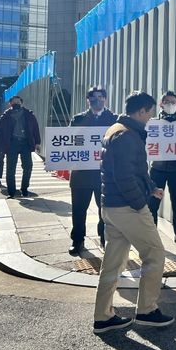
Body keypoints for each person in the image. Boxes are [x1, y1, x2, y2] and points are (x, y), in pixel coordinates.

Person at [93, 91, 174, 334]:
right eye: (150, 113)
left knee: (113, 263)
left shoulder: (115, 129)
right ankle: (147, 310)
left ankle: (102, 316)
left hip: (112, 207)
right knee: (155, 254)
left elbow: (134, 170)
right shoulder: (127, 136)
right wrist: (140, 203)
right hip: (128, 209)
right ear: (141, 111)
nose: (150, 117)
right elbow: (126, 176)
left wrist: (150, 188)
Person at [68, 86, 117, 256]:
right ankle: (77, 240)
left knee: (105, 209)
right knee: (79, 209)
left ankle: (104, 238)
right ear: (87, 100)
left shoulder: (114, 119)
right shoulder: (77, 119)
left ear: (105, 99)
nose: (97, 100)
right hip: (81, 172)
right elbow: (69, 142)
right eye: (93, 97)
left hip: (104, 173)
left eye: (100, 96)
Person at [147, 91, 176, 248]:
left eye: (174, 102)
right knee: (153, 203)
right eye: (168, 102)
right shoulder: (152, 124)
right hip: (157, 168)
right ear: (161, 104)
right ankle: (152, 237)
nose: (171, 105)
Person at [0, 95, 41, 198]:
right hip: (12, 143)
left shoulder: (29, 115)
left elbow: (35, 129)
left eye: (18, 101)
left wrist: (37, 142)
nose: (16, 103)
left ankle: (24, 189)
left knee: (28, 167)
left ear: (22, 103)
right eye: (14, 102)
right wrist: (3, 145)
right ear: (10, 104)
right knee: (10, 169)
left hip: (25, 143)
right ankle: (11, 192)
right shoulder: (5, 116)